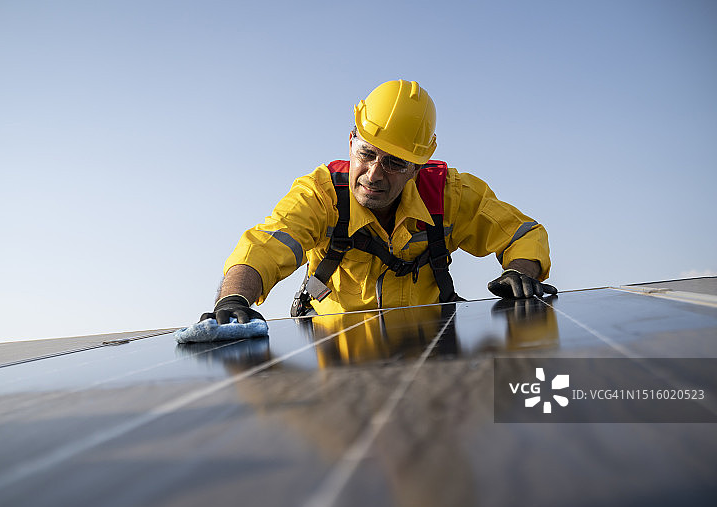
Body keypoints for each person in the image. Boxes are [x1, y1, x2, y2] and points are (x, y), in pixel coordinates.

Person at [201, 80, 556, 324]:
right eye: (367, 154)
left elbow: (521, 234)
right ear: (351, 141)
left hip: (432, 350)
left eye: (394, 163)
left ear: (417, 167)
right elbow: (263, 247)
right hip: (337, 354)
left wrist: (520, 272)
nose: (373, 174)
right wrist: (233, 300)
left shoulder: (450, 196)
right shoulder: (320, 196)